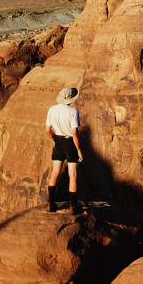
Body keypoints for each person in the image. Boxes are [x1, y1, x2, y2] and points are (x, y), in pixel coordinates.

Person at [45, 85, 83, 213]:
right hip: (70, 142)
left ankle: (50, 204)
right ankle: (73, 206)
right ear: (71, 99)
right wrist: (78, 150)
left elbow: (47, 130)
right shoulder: (73, 112)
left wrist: (55, 139)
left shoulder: (52, 109)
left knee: (55, 172)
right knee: (73, 174)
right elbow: (75, 134)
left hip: (58, 141)